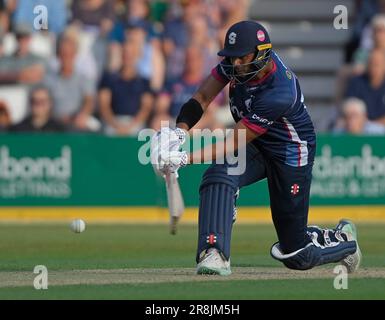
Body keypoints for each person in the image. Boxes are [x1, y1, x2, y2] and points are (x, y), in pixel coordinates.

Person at [151, 21, 362, 275]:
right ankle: (215, 253)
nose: (235, 64)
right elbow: (203, 98)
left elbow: (232, 141)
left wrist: (184, 158)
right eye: (231, 58)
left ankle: (345, 240)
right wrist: (179, 131)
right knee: (219, 175)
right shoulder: (234, 67)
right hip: (257, 143)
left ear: (261, 54)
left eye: (242, 58)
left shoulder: (279, 92)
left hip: (290, 153)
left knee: (296, 254)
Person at [345, 48, 385, 125]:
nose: (374, 67)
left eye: (377, 64)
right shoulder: (356, 82)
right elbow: (350, 108)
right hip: (361, 129)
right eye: (371, 63)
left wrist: (375, 124)